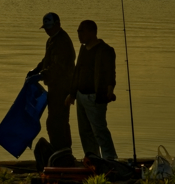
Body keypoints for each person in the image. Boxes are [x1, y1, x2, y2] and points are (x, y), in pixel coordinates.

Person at [66, 19, 118, 160]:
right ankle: (93, 159)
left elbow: (110, 74)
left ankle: (110, 159)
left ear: (92, 32)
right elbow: (77, 71)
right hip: (81, 96)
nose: (79, 34)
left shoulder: (106, 50)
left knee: (99, 131)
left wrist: (110, 90)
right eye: (78, 31)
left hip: (95, 98)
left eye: (81, 31)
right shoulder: (83, 49)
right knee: (85, 132)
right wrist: (72, 94)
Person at [27, 12, 76, 156]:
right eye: (46, 28)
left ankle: (63, 152)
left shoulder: (62, 42)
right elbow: (46, 60)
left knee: (57, 121)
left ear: (58, 25)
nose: (48, 31)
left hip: (63, 88)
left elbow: (58, 67)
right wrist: (35, 70)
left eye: (50, 27)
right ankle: (59, 152)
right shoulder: (52, 40)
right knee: (54, 121)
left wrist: (41, 75)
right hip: (54, 87)